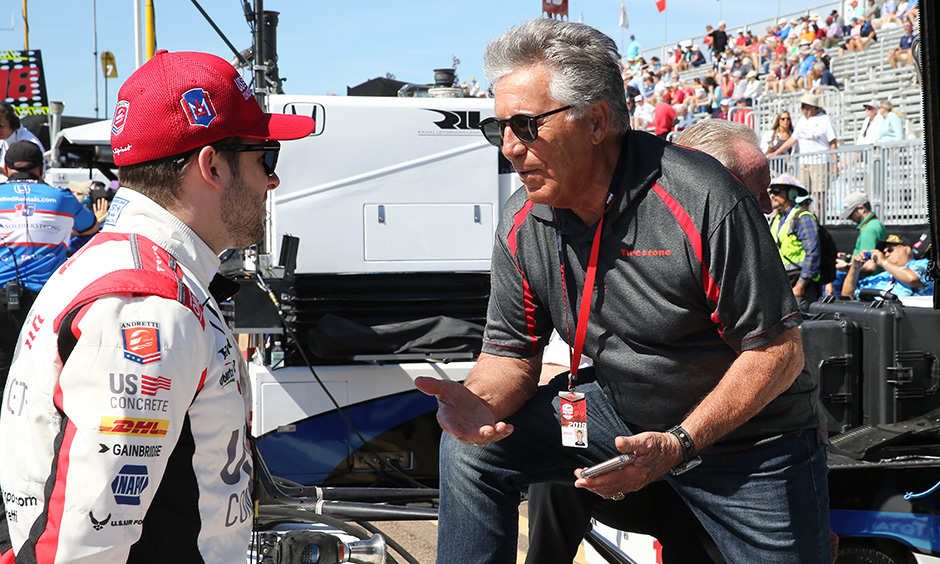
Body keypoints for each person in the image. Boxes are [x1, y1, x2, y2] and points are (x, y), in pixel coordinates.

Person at [416, 18, 829, 564]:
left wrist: (679, 442)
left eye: (525, 125)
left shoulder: (701, 198)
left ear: (597, 122)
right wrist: (479, 404)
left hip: (750, 445)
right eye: (499, 130)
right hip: (622, 418)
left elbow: (777, 351)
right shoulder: (522, 220)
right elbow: (510, 352)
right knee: (470, 453)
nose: (510, 149)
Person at [0, 50, 315, 563]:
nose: (272, 181)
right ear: (212, 165)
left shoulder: (120, 265)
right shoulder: (149, 303)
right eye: (266, 157)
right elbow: (81, 547)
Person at [0, 142, 99, 391]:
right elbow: (91, 228)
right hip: (44, 300)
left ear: (5, 168)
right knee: (40, 372)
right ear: (41, 168)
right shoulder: (61, 197)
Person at [769, 93, 837, 220]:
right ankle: (804, 217)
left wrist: (833, 164)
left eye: (803, 106)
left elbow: (833, 143)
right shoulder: (802, 120)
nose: (801, 109)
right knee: (802, 192)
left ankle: (819, 218)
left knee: (819, 193)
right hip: (803, 162)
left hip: (820, 161)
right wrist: (775, 153)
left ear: (811, 107)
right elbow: (792, 139)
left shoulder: (824, 119)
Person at [769, 172, 823, 311]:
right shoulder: (777, 219)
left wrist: (800, 285)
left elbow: (813, 253)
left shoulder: (804, 218)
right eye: (771, 192)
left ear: (792, 194)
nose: (772, 195)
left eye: (776, 191)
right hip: (783, 283)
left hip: (799, 286)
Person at [842, 234, 933, 298]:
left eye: (890, 250)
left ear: (907, 249)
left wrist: (883, 261)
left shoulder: (923, 264)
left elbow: (912, 279)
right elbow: (847, 296)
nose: (886, 254)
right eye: (884, 252)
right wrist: (855, 268)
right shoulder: (882, 276)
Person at [837, 190, 888, 278]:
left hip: (869, 284)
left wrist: (846, 267)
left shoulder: (869, 229)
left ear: (861, 209)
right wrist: (850, 258)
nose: (850, 218)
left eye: (851, 214)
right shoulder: (875, 225)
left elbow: (870, 265)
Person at [0, 103, 45, 180]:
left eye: (0, 125)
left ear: (12, 123)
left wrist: (3, 171)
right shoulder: (3, 139)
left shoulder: (30, 145)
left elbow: (37, 178)